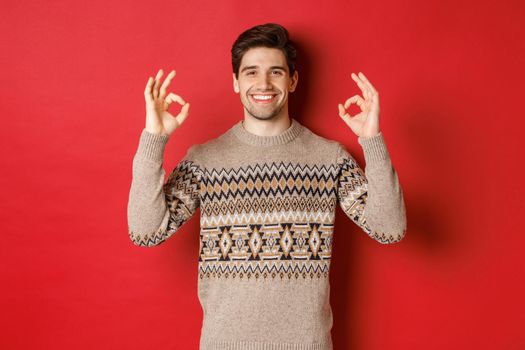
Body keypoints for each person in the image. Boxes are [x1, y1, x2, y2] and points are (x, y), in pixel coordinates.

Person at [127, 22, 407, 350]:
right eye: (251, 72)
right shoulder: (205, 160)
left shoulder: (327, 158)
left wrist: (372, 140)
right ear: (235, 81)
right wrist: (154, 139)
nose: (263, 83)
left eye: (275, 72)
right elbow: (145, 232)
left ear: (293, 80)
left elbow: (390, 229)